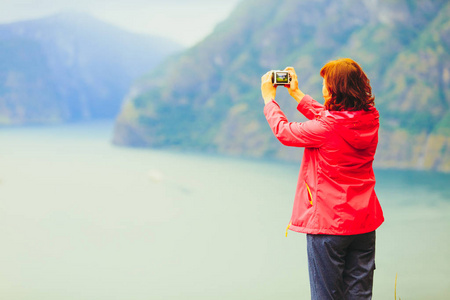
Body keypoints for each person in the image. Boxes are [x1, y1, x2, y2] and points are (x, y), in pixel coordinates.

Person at [260, 58, 384, 300]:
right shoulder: (371, 118)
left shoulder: (327, 128)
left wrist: (269, 101)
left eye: (326, 84)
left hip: (330, 226)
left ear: (336, 89)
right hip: (363, 223)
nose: (323, 89)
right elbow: (334, 120)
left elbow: (285, 132)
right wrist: (296, 94)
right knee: (360, 296)